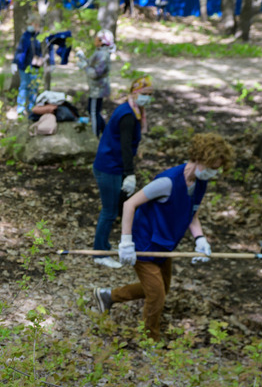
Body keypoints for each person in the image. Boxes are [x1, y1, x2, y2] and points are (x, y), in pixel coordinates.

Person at [93, 133, 234, 341]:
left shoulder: (199, 183)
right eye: (212, 166)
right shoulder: (168, 182)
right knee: (157, 296)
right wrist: (126, 242)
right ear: (199, 159)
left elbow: (192, 214)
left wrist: (200, 239)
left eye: (218, 168)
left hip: (165, 245)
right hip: (143, 244)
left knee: (160, 288)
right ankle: (151, 340)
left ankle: (107, 296)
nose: (215, 172)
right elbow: (129, 204)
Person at [91, 75, 154, 269]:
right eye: (144, 94)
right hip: (109, 167)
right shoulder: (127, 115)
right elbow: (125, 147)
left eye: (150, 94)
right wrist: (130, 173)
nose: (147, 98)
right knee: (109, 212)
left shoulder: (132, 110)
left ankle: (105, 245)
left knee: (113, 208)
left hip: (112, 165)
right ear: (135, 93)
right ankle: (99, 252)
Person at [76, 28, 113, 137]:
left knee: (93, 112)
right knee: (95, 111)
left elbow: (95, 73)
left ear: (103, 41)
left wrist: (84, 67)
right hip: (96, 88)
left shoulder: (103, 55)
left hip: (98, 89)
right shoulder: (100, 52)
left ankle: (95, 135)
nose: (95, 40)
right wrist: (84, 59)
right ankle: (106, 133)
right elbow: (93, 64)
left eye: (97, 39)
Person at [11, 24, 43, 116]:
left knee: (34, 87)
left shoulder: (41, 36)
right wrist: (15, 62)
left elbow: (47, 50)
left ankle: (32, 108)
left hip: (36, 66)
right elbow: (20, 50)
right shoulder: (25, 36)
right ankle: (20, 109)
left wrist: (51, 62)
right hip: (24, 66)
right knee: (24, 86)